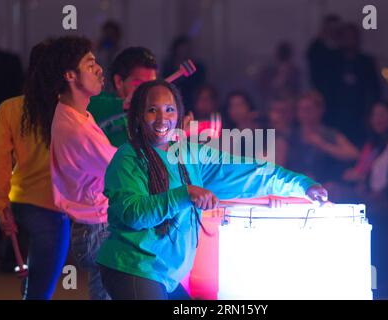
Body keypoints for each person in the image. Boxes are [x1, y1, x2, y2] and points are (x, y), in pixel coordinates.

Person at [96, 79, 328, 300]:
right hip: (132, 267)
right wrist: (185, 193)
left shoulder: (190, 155)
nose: (162, 119)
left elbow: (251, 173)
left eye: (169, 109)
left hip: (165, 275)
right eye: (152, 110)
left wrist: (302, 185)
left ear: (179, 114)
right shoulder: (128, 157)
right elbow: (132, 213)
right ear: (137, 115)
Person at [0, 39, 71, 300]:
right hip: (52, 207)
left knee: (33, 287)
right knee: (39, 291)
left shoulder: (10, 108)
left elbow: (0, 164)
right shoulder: (69, 110)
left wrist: (1, 207)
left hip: (19, 202)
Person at [49, 36, 117, 300]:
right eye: (90, 65)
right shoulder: (76, 128)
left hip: (91, 225)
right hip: (96, 227)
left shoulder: (73, 113)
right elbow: (119, 167)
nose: (99, 69)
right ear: (70, 75)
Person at [88, 47, 158, 147]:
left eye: (151, 85)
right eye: (139, 85)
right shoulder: (95, 106)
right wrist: (122, 105)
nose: (147, 92)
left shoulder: (150, 116)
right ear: (118, 81)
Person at [288, 91, 360, 183]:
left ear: (320, 110)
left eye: (308, 109)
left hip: (326, 187)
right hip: (295, 187)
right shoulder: (291, 135)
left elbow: (353, 154)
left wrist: (322, 144)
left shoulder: (329, 134)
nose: (303, 113)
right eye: (300, 109)